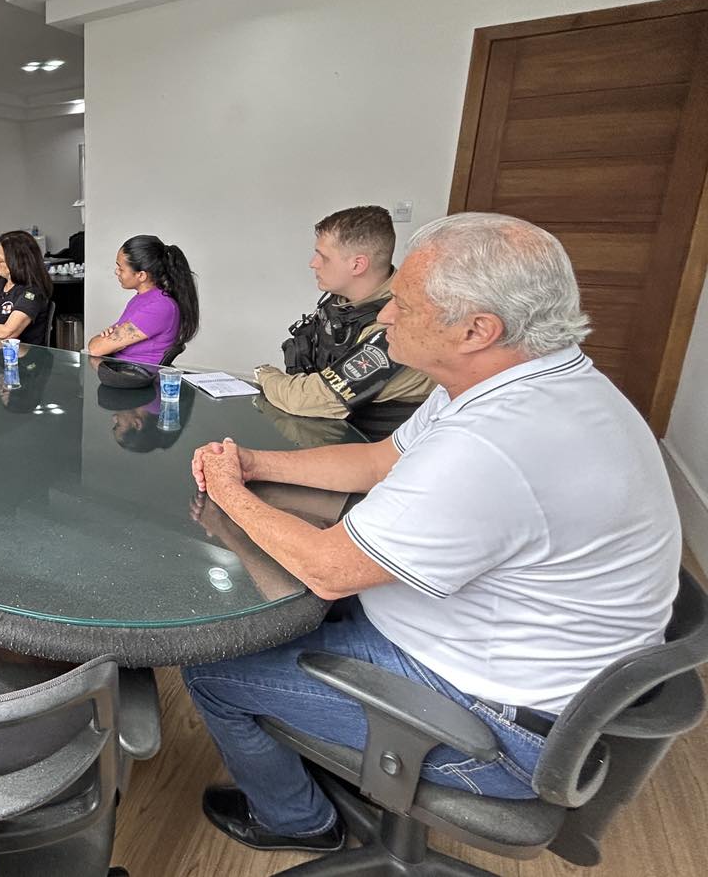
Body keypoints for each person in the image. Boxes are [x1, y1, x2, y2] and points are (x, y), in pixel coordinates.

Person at [182, 213, 681, 854]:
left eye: (406, 304)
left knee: (212, 669)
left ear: (477, 329)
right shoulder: (510, 381)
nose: (386, 315)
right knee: (294, 608)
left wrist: (228, 492)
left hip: (500, 726)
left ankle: (296, 821)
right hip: (524, 666)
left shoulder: (494, 445)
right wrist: (255, 464)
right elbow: (380, 460)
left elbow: (330, 569)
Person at [255, 206, 432, 438]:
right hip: (331, 435)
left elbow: (309, 399)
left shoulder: (398, 324)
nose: (313, 263)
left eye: (323, 257)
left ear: (357, 265)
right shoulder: (344, 302)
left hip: (375, 447)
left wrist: (264, 374)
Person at [87, 235, 199, 365]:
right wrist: (110, 341)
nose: (116, 272)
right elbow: (97, 346)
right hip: (117, 370)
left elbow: (96, 348)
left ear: (141, 275)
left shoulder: (160, 306)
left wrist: (110, 341)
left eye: (121, 269)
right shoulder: (141, 299)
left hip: (134, 374)